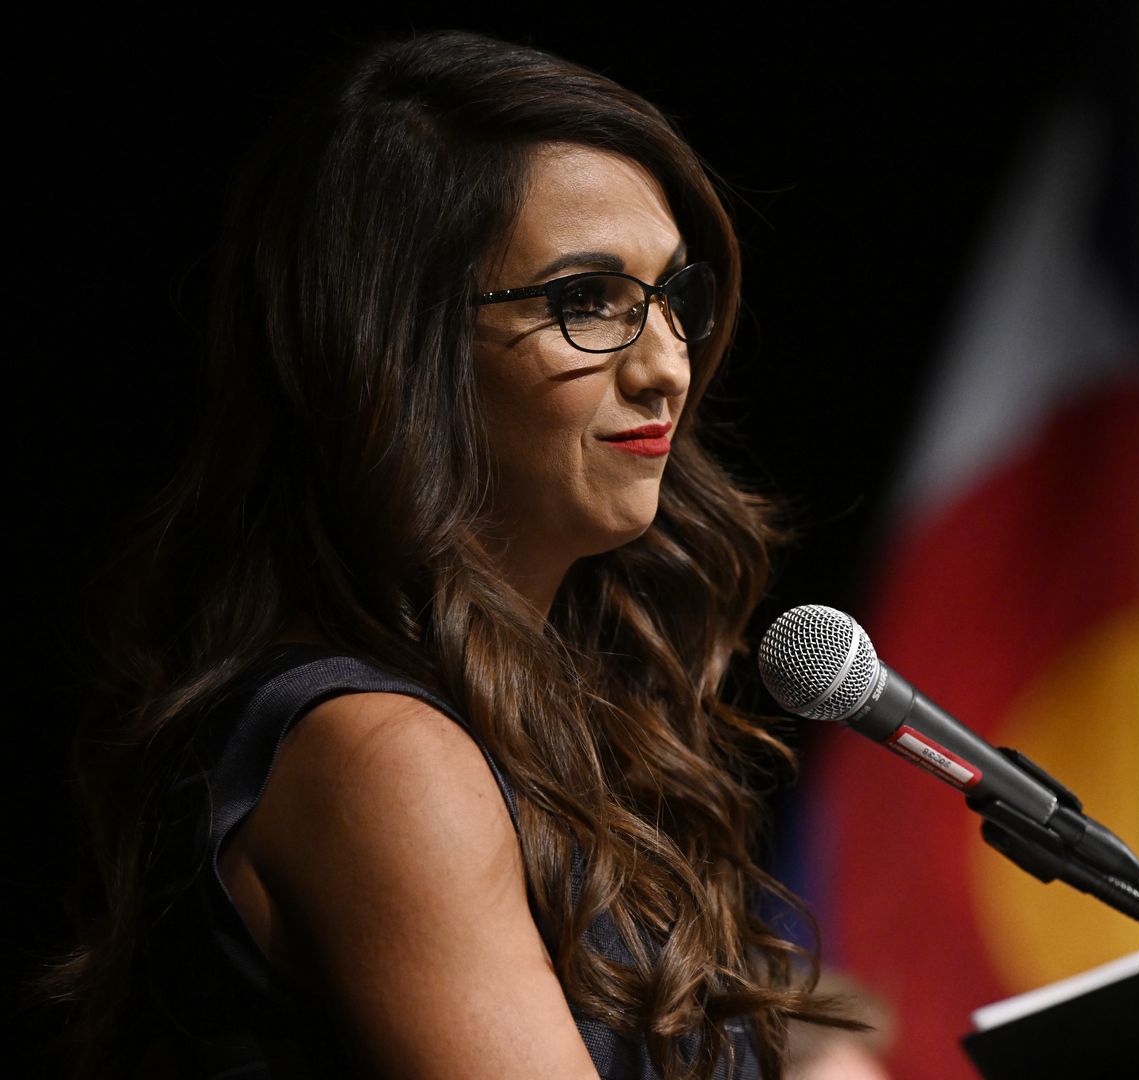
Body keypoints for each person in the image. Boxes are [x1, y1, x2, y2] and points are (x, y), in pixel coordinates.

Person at [45, 29, 847, 1078]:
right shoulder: (377, 754)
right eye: (586, 301)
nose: (666, 368)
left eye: (669, 298)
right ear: (396, 349)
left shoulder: (564, 730)